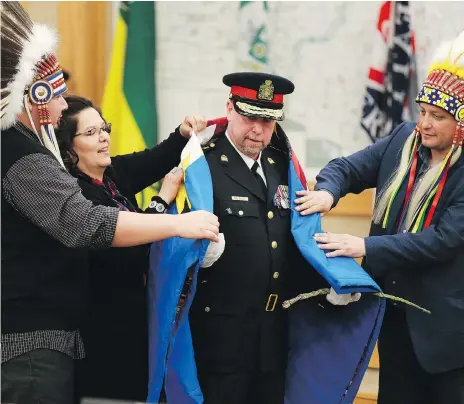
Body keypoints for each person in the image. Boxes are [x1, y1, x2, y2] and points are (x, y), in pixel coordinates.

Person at [0, 3, 219, 403]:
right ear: (36, 94)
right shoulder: (24, 157)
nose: (65, 106)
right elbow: (86, 222)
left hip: (41, 345)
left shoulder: (23, 151)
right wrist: (175, 221)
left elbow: (141, 164)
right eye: (61, 95)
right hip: (30, 351)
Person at [295, 31, 464, 404]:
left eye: (438, 117)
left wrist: (363, 245)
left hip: (448, 337)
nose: (425, 124)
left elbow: (443, 240)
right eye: (422, 112)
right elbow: (348, 167)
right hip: (392, 318)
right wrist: (327, 191)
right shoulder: (404, 138)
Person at [55, 95, 222, 401]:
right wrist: (161, 202)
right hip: (101, 333)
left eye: (103, 128)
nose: (104, 137)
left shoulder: (110, 175)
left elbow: (154, 160)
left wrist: (182, 134)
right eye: (90, 133)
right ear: (68, 147)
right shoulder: (76, 193)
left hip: (133, 324)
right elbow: (127, 252)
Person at [188, 72, 338, 404]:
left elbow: (292, 243)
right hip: (221, 335)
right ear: (229, 109)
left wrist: (331, 281)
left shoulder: (280, 166)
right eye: (250, 117)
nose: (258, 129)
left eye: (268, 121)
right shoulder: (204, 165)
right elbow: (176, 250)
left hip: (272, 334)